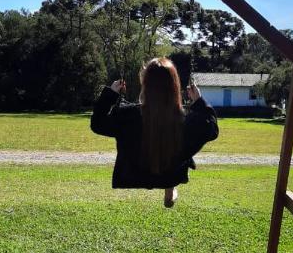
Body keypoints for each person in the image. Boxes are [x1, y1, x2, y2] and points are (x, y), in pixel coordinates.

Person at [90, 57, 219, 207]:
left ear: (145, 85)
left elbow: (97, 124)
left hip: (136, 174)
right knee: (178, 146)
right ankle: (170, 187)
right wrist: (199, 101)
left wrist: (111, 94)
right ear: (174, 86)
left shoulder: (127, 115)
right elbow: (211, 129)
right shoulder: (184, 120)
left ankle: (170, 187)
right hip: (169, 174)